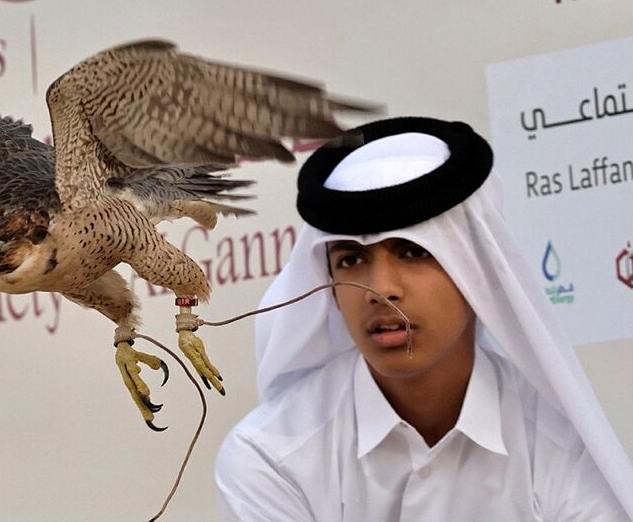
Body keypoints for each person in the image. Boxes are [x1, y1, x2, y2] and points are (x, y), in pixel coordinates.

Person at [214, 117, 633, 521]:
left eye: (413, 252)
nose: (380, 289)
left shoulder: (559, 443)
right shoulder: (271, 456)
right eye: (351, 260)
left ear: (476, 269)